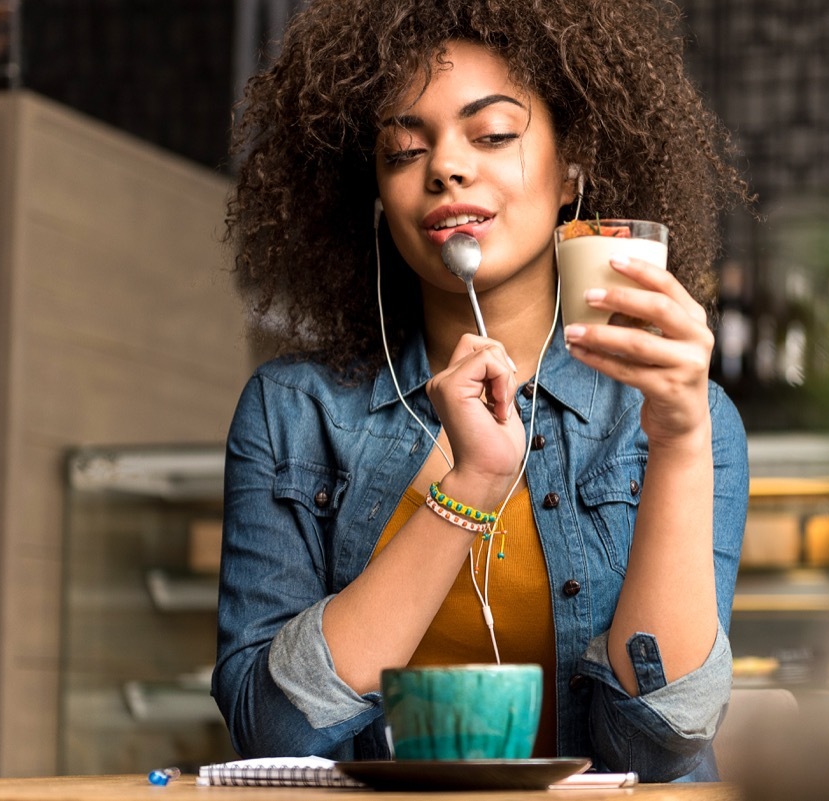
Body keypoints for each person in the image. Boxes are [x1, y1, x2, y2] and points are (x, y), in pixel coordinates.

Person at [212, 0, 752, 782]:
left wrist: (678, 444)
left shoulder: (680, 418)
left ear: (572, 167)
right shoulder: (295, 412)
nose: (445, 167)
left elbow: (656, 747)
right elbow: (272, 731)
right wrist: (469, 487)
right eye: (404, 148)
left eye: (493, 134)